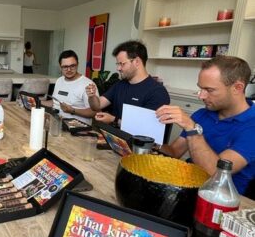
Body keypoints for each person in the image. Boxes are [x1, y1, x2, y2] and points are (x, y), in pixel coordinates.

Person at [156, 56, 255, 197]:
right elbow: (174, 152)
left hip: (218, 199)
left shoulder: (251, 125)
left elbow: (215, 172)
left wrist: (191, 128)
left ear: (237, 88)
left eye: (209, 90)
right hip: (186, 187)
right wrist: (150, 143)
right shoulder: (203, 114)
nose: (201, 96)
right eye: (200, 88)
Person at [86, 40, 170, 125]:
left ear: (137, 62)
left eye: (122, 64)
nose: (118, 68)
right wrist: (92, 96)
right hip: (112, 133)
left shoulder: (157, 92)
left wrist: (114, 120)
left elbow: (145, 127)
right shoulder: (120, 85)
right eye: (117, 64)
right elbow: (97, 106)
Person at [47, 50, 97, 124]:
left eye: (72, 66)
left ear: (77, 64)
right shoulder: (59, 80)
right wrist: (37, 101)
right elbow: (54, 102)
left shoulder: (88, 84)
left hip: (78, 127)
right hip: (56, 123)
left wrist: (72, 110)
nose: (69, 70)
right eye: (65, 67)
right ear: (60, 67)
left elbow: (94, 112)